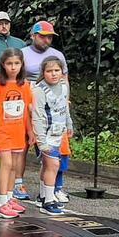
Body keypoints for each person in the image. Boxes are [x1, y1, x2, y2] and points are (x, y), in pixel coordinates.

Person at [17, 20, 65, 200]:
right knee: (22, 145)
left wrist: (65, 101)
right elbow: (15, 78)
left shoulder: (57, 55)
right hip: (26, 100)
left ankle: (49, 190)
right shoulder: (22, 53)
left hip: (51, 105)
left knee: (51, 146)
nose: (46, 40)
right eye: (43, 36)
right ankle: (18, 184)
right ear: (33, 36)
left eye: (50, 37)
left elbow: (64, 80)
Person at [0, 48, 34, 219]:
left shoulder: (25, 85)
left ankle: (9, 197)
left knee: (14, 165)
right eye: (9, 63)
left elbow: (26, 111)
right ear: (3, 65)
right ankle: (2, 203)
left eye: (16, 63)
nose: (13, 67)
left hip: (17, 131)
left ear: (22, 65)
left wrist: (30, 131)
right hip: (0, 130)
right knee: (6, 163)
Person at [32, 57, 72, 215]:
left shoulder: (63, 87)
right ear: (43, 73)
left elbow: (64, 107)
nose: (54, 74)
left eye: (57, 70)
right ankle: (48, 200)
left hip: (58, 132)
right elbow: (37, 116)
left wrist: (69, 124)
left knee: (47, 165)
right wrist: (41, 140)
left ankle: (43, 196)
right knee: (53, 165)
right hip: (45, 134)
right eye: (49, 71)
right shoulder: (39, 90)